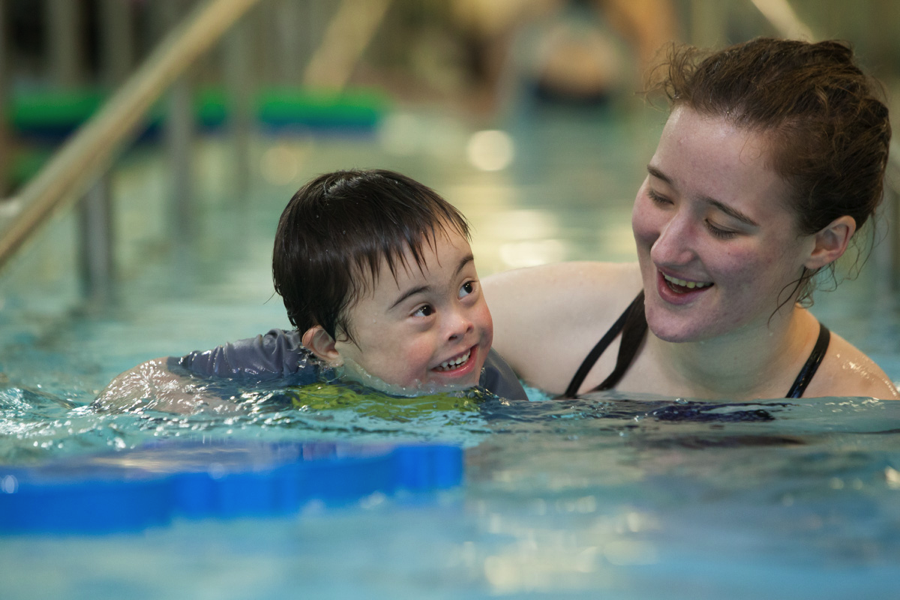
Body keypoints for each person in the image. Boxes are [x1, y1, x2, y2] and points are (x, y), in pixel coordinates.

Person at [483, 37, 900, 400]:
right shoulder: (524, 322)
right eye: (660, 196)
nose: (666, 249)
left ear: (825, 243)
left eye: (722, 226)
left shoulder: (858, 416)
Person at [97, 169, 526, 412]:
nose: (461, 325)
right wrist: (233, 415)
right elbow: (134, 386)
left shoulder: (488, 382)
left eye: (466, 287)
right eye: (423, 311)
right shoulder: (286, 365)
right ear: (328, 345)